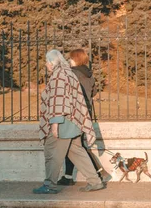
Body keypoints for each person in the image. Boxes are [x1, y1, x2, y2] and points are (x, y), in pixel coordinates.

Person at [33, 49, 105, 194]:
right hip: (74, 121)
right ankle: (95, 181)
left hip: (63, 122)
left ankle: (49, 185)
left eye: (47, 61)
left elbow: (59, 100)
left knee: (53, 153)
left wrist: (55, 123)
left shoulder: (59, 75)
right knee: (76, 151)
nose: (46, 65)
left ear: (53, 62)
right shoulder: (69, 73)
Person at [57, 48, 111, 186]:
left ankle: (99, 173)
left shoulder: (72, 74)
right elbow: (93, 93)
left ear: (75, 59)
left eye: (70, 58)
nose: (69, 60)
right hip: (86, 112)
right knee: (74, 144)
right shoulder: (89, 75)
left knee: (74, 145)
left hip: (75, 112)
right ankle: (68, 176)